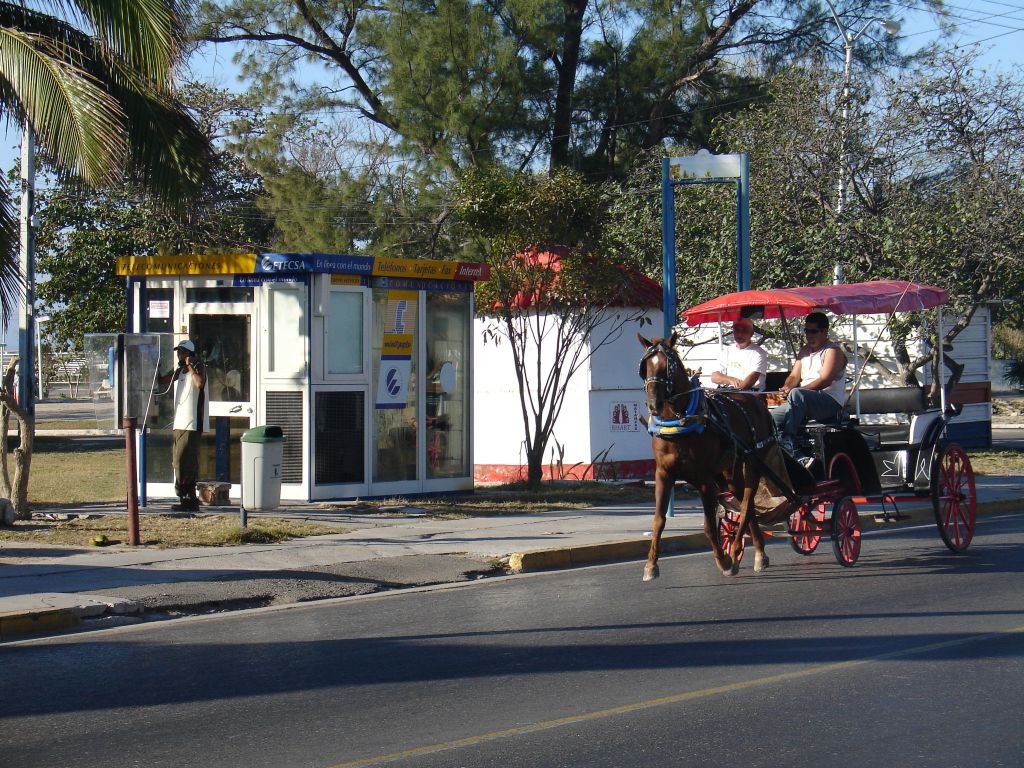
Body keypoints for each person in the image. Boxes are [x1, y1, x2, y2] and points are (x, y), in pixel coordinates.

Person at [773, 311, 848, 467]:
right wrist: (787, 387)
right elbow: (794, 376)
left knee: (797, 393)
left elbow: (825, 379)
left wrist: (799, 392)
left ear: (824, 331)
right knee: (772, 416)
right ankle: (790, 452)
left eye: (813, 331)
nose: (808, 335)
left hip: (829, 401)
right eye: (806, 331)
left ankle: (788, 439)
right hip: (803, 401)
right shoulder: (804, 351)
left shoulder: (833, 351)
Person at [171, 340, 208, 511]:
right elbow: (164, 380)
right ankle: (184, 496)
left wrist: (191, 366)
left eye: (183, 353)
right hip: (179, 421)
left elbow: (199, 383)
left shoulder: (199, 367)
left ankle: (188, 497)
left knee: (185, 460)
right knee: (177, 460)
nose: (180, 356)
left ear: (190, 355)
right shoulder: (180, 371)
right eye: (178, 352)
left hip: (192, 422)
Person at [710, 316, 767, 391]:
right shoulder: (726, 351)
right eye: (737, 330)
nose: (740, 334)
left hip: (751, 393)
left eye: (744, 330)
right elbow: (714, 377)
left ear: (751, 333)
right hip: (728, 391)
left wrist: (733, 388)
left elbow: (749, 382)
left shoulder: (759, 353)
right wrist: (730, 379)